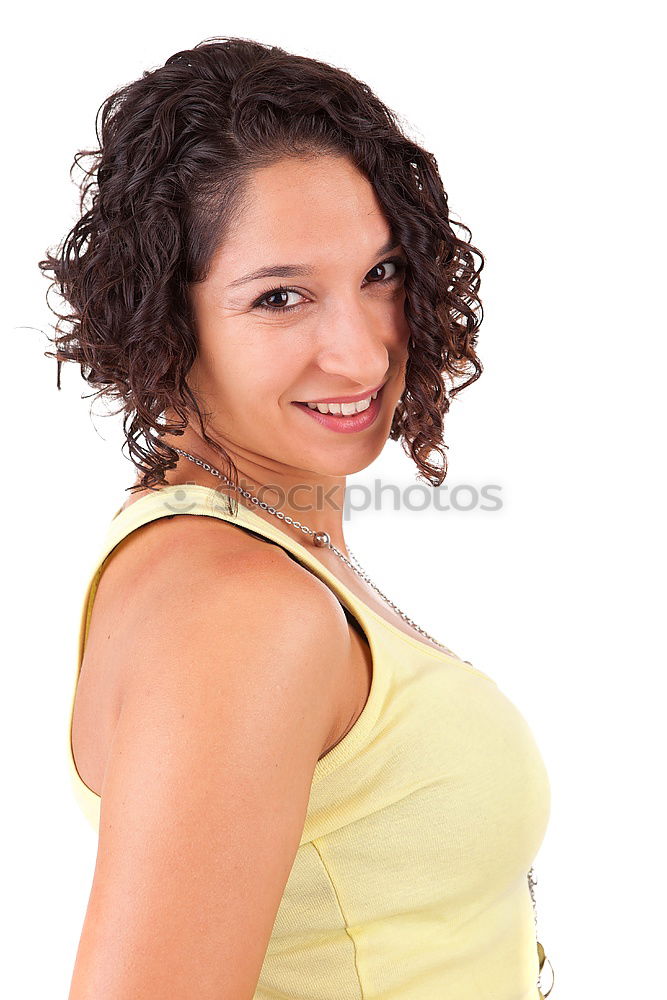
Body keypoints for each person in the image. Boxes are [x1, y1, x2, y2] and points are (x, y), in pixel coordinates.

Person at [40, 36, 553, 1000]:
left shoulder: (260, 552)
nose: (360, 357)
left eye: (382, 272)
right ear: (164, 317)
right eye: (280, 297)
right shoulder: (236, 605)